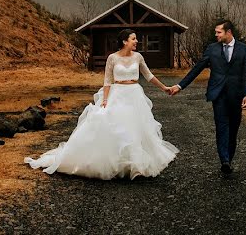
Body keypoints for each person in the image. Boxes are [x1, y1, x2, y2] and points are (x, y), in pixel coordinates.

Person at [25, 29, 178, 179]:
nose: (136, 41)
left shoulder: (138, 57)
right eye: (133, 39)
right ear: (125, 41)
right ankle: (115, 162)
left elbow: (149, 76)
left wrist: (164, 87)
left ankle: (134, 164)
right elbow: (107, 80)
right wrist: (105, 100)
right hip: (117, 93)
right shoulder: (112, 58)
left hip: (134, 94)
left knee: (135, 128)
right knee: (114, 126)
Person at [169, 19, 246, 174]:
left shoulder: (244, 50)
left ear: (228, 32)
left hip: (236, 95)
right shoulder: (212, 49)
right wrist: (180, 86)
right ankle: (225, 161)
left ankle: (229, 156)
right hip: (218, 94)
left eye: (219, 32)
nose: (216, 35)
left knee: (233, 129)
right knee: (222, 127)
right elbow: (197, 69)